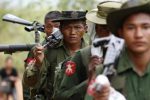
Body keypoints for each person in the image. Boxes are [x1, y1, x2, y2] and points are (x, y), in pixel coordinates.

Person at [55, 1, 123, 100]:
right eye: (105, 28)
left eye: (115, 28)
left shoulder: (138, 56)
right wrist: (91, 81)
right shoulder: (83, 56)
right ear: (97, 29)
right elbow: (62, 96)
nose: (111, 34)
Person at [90, 0, 150, 100]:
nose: (138, 34)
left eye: (145, 27)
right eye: (130, 28)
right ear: (121, 32)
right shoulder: (104, 73)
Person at [23, 11, 89, 100]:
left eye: (77, 27)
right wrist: (39, 64)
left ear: (85, 28)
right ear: (61, 29)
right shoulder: (47, 51)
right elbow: (30, 83)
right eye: (68, 28)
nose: (72, 32)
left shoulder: (91, 52)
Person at [23, 11, 62, 100]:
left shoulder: (70, 47)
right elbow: (27, 82)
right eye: (49, 27)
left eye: (57, 27)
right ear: (44, 29)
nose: (53, 30)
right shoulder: (37, 51)